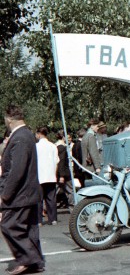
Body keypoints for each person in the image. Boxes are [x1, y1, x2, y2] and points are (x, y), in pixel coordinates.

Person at [0, 105, 45, 274]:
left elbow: (16, 171)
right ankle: (35, 261)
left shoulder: (20, 137)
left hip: (21, 194)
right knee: (29, 227)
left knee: (9, 225)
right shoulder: (26, 135)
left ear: (8, 119)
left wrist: (4, 195)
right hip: (28, 192)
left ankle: (28, 258)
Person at [35, 127, 59, 226]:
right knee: (51, 199)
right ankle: (53, 219)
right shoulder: (53, 146)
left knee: (38, 199)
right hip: (51, 176)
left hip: (39, 176)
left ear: (39, 134)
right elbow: (56, 161)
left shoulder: (35, 146)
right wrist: (54, 173)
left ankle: (39, 220)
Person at [55, 131, 73, 209]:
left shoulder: (55, 145)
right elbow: (61, 161)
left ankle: (44, 208)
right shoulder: (61, 147)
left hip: (58, 172)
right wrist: (62, 175)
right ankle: (73, 206)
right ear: (63, 137)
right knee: (71, 191)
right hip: (64, 173)